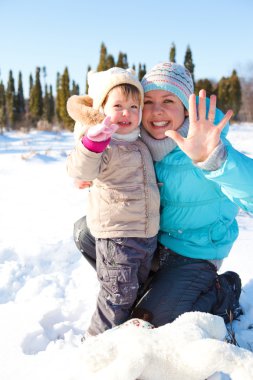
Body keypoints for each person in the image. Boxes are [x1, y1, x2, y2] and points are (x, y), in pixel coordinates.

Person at [70, 62, 253, 328]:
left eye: (169, 100)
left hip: (194, 252)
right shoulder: (138, 142)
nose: (157, 111)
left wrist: (215, 161)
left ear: (186, 109)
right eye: (149, 101)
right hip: (152, 242)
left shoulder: (207, 145)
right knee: (86, 231)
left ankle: (222, 292)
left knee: (150, 322)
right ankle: (140, 290)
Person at [66, 67, 160, 336]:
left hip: (145, 237)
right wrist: (91, 143)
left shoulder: (140, 143)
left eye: (134, 106)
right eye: (117, 105)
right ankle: (97, 344)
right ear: (102, 109)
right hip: (118, 237)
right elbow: (79, 170)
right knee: (117, 296)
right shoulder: (104, 144)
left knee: (132, 293)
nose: (126, 113)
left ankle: (120, 341)